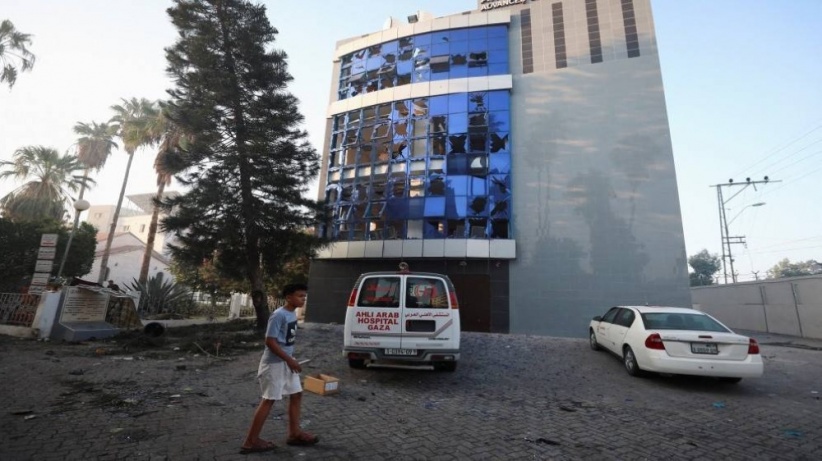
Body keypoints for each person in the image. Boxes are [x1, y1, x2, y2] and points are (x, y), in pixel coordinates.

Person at [241, 283, 318, 454]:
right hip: (274, 364)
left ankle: (294, 434)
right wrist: (289, 360)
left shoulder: (292, 314)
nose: (303, 299)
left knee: (296, 394)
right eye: (300, 296)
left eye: (304, 296)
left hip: (286, 362)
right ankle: (250, 442)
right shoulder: (278, 315)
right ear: (288, 297)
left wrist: (290, 360)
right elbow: (270, 341)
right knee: (269, 400)